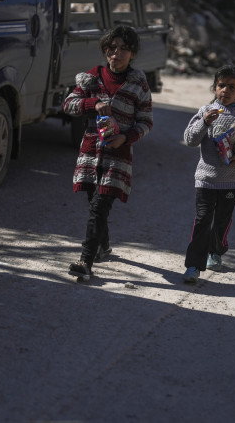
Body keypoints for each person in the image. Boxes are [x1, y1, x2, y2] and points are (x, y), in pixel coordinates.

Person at [63, 25, 153, 280]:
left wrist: (125, 137)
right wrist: (93, 103)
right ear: (105, 51)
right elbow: (69, 104)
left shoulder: (139, 84)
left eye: (124, 49)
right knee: (94, 203)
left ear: (133, 54)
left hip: (119, 157)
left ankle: (86, 261)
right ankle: (103, 245)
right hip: (91, 153)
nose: (117, 53)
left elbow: (146, 122)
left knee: (99, 208)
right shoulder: (91, 78)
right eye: (112, 48)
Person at [182, 65, 235, 282]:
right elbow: (190, 140)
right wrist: (204, 122)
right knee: (202, 220)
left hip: (232, 181)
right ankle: (193, 266)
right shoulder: (205, 112)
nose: (225, 91)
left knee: (222, 220)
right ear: (214, 87)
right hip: (206, 180)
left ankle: (216, 252)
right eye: (221, 85)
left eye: (232, 87)